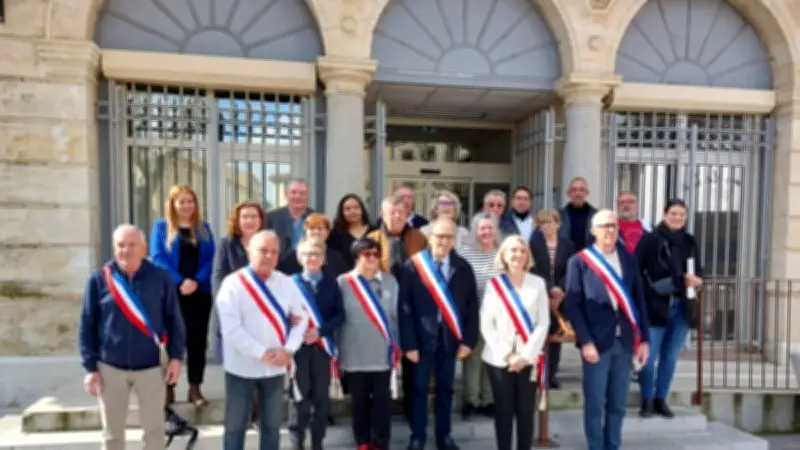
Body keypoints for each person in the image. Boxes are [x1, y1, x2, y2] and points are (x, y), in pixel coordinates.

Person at [79, 224, 186, 450]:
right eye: (120, 245)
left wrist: (176, 357)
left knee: (154, 431)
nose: (125, 250)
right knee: (112, 434)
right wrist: (90, 367)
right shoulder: (99, 280)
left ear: (143, 247)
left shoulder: (160, 277)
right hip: (110, 368)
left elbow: (174, 319)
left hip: (150, 367)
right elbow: (87, 325)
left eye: (131, 245)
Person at [565, 209, 651, 450]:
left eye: (613, 225)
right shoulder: (579, 262)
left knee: (618, 405)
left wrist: (643, 339)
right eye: (604, 226)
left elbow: (638, 299)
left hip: (624, 343)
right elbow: (573, 305)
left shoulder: (628, 258)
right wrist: (585, 341)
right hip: (596, 343)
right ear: (593, 231)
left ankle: (613, 445)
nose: (610, 230)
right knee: (594, 404)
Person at [216, 230, 309, 450]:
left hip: (275, 369)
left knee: (271, 426)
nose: (268, 256)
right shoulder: (233, 284)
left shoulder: (287, 283)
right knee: (235, 426)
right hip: (242, 368)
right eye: (263, 250)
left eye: (273, 252)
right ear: (249, 252)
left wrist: (289, 349)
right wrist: (263, 353)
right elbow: (231, 330)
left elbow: (300, 319)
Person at [401, 218, 479, 450]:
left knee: (446, 388)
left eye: (449, 237)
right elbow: (404, 308)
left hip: (450, 339)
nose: (444, 241)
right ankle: (418, 436)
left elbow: (472, 307)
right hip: (421, 339)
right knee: (418, 389)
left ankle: (444, 435)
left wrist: (468, 340)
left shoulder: (463, 267)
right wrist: (409, 344)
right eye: (440, 236)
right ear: (430, 237)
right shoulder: (413, 266)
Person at [481, 235, 550, 450]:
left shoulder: (538, 283)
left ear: (527, 255)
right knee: (503, 412)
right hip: (499, 360)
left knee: (525, 413)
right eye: (512, 250)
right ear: (503, 255)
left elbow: (543, 322)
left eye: (521, 250)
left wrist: (525, 355)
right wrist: (508, 355)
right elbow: (486, 325)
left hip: (528, 361)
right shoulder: (493, 285)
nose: (517, 254)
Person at [635, 199, 703, 418]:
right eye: (673, 213)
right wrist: (649, 293)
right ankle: (646, 399)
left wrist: (697, 281)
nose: (677, 218)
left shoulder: (690, 241)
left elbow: (700, 270)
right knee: (648, 357)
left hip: (682, 306)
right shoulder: (650, 239)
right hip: (655, 306)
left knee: (670, 356)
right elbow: (635, 271)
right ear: (664, 215)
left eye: (681, 214)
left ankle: (660, 398)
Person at [149, 184, 215, 405]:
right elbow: (158, 258)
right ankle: (169, 387)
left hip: (199, 293)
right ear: (173, 204)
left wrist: (196, 281)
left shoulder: (204, 228)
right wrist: (180, 281)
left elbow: (211, 260)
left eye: (190, 201)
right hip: (171, 293)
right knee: (170, 341)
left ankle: (195, 388)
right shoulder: (161, 227)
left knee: (197, 341)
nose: (187, 206)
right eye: (182, 201)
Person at [367, 194, 427, 422]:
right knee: (381, 362)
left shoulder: (419, 239)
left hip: (412, 309)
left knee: (412, 360)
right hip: (381, 309)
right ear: (383, 214)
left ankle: (412, 412)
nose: (397, 216)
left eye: (402, 212)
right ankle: (379, 413)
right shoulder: (371, 239)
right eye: (392, 212)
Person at [337, 238, 401, 450]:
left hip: (383, 354)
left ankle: (382, 443)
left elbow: (396, 317)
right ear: (357, 257)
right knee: (360, 403)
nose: (373, 258)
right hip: (354, 353)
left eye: (376, 253)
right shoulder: (343, 282)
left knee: (382, 404)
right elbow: (338, 318)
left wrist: (398, 347)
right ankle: (363, 442)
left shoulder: (391, 281)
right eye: (367, 254)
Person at [288, 237, 345, 450]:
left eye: (316, 254)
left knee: (321, 399)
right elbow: (284, 315)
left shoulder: (332, 283)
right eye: (307, 254)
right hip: (299, 349)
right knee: (299, 397)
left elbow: (339, 315)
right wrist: (300, 333)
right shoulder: (291, 283)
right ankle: (297, 443)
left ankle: (317, 443)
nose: (311, 258)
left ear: (323, 258)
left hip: (322, 349)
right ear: (299, 257)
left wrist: (320, 331)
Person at [458, 213, 501, 418]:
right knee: (473, 359)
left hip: (497, 317)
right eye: (482, 228)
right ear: (475, 231)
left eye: (490, 228)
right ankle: (471, 401)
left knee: (492, 359)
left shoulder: (503, 253)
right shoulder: (465, 253)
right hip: (473, 314)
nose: (486, 232)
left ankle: (489, 400)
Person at [529, 209, 576, 389]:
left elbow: (571, 269)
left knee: (556, 336)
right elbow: (532, 269)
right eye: (543, 223)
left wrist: (560, 289)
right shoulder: (533, 244)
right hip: (540, 295)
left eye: (551, 222)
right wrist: (549, 288)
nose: (547, 226)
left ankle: (551, 373)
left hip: (561, 297)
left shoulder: (568, 245)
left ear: (558, 224)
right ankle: (538, 371)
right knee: (540, 335)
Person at [278, 213, 348, 278]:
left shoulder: (337, 258)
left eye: (320, 228)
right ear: (305, 231)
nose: (316, 232)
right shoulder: (291, 257)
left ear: (328, 232)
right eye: (311, 228)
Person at [327, 193, 376, 269]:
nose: (353, 211)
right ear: (342, 212)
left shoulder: (374, 231)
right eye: (348, 209)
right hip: (343, 278)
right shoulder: (335, 234)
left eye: (356, 208)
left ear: (362, 210)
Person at [266, 179, 314, 253]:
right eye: (293, 192)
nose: (298, 196)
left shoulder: (317, 217)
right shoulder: (271, 218)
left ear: (308, 196)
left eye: (302, 193)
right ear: (286, 194)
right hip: (281, 263)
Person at [558, 177, 598, 252]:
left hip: (588, 259)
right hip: (565, 260)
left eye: (581, 190)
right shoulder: (559, 216)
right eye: (574, 190)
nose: (578, 193)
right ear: (569, 193)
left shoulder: (596, 216)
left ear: (587, 193)